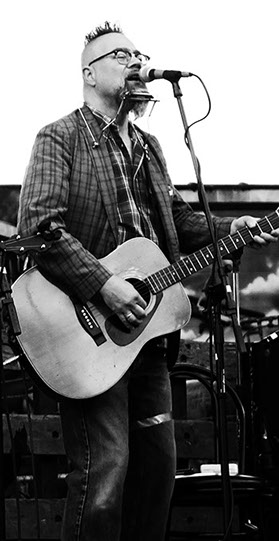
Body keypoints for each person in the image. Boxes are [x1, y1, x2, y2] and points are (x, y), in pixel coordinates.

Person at [17, 21, 279, 541]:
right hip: (87, 333)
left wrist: (236, 228)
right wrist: (103, 285)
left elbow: (179, 225)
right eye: (121, 55)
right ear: (89, 74)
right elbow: (42, 230)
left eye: (140, 53)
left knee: (157, 474)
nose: (137, 61)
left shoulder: (150, 147)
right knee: (104, 475)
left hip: (146, 342)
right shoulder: (60, 137)